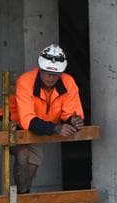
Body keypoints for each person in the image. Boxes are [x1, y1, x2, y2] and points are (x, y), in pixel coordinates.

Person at [8, 44, 85, 194]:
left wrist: (73, 121)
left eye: (55, 74)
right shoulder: (25, 81)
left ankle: (23, 201)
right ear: (40, 69)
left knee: (30, 172)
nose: (50, 77)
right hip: (16, 124)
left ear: (61, 73)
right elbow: (27, 120)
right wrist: (56, 128)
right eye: (47, 72)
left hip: (41, 127)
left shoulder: (68, 83)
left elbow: (71, 113)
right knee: (22, 154)